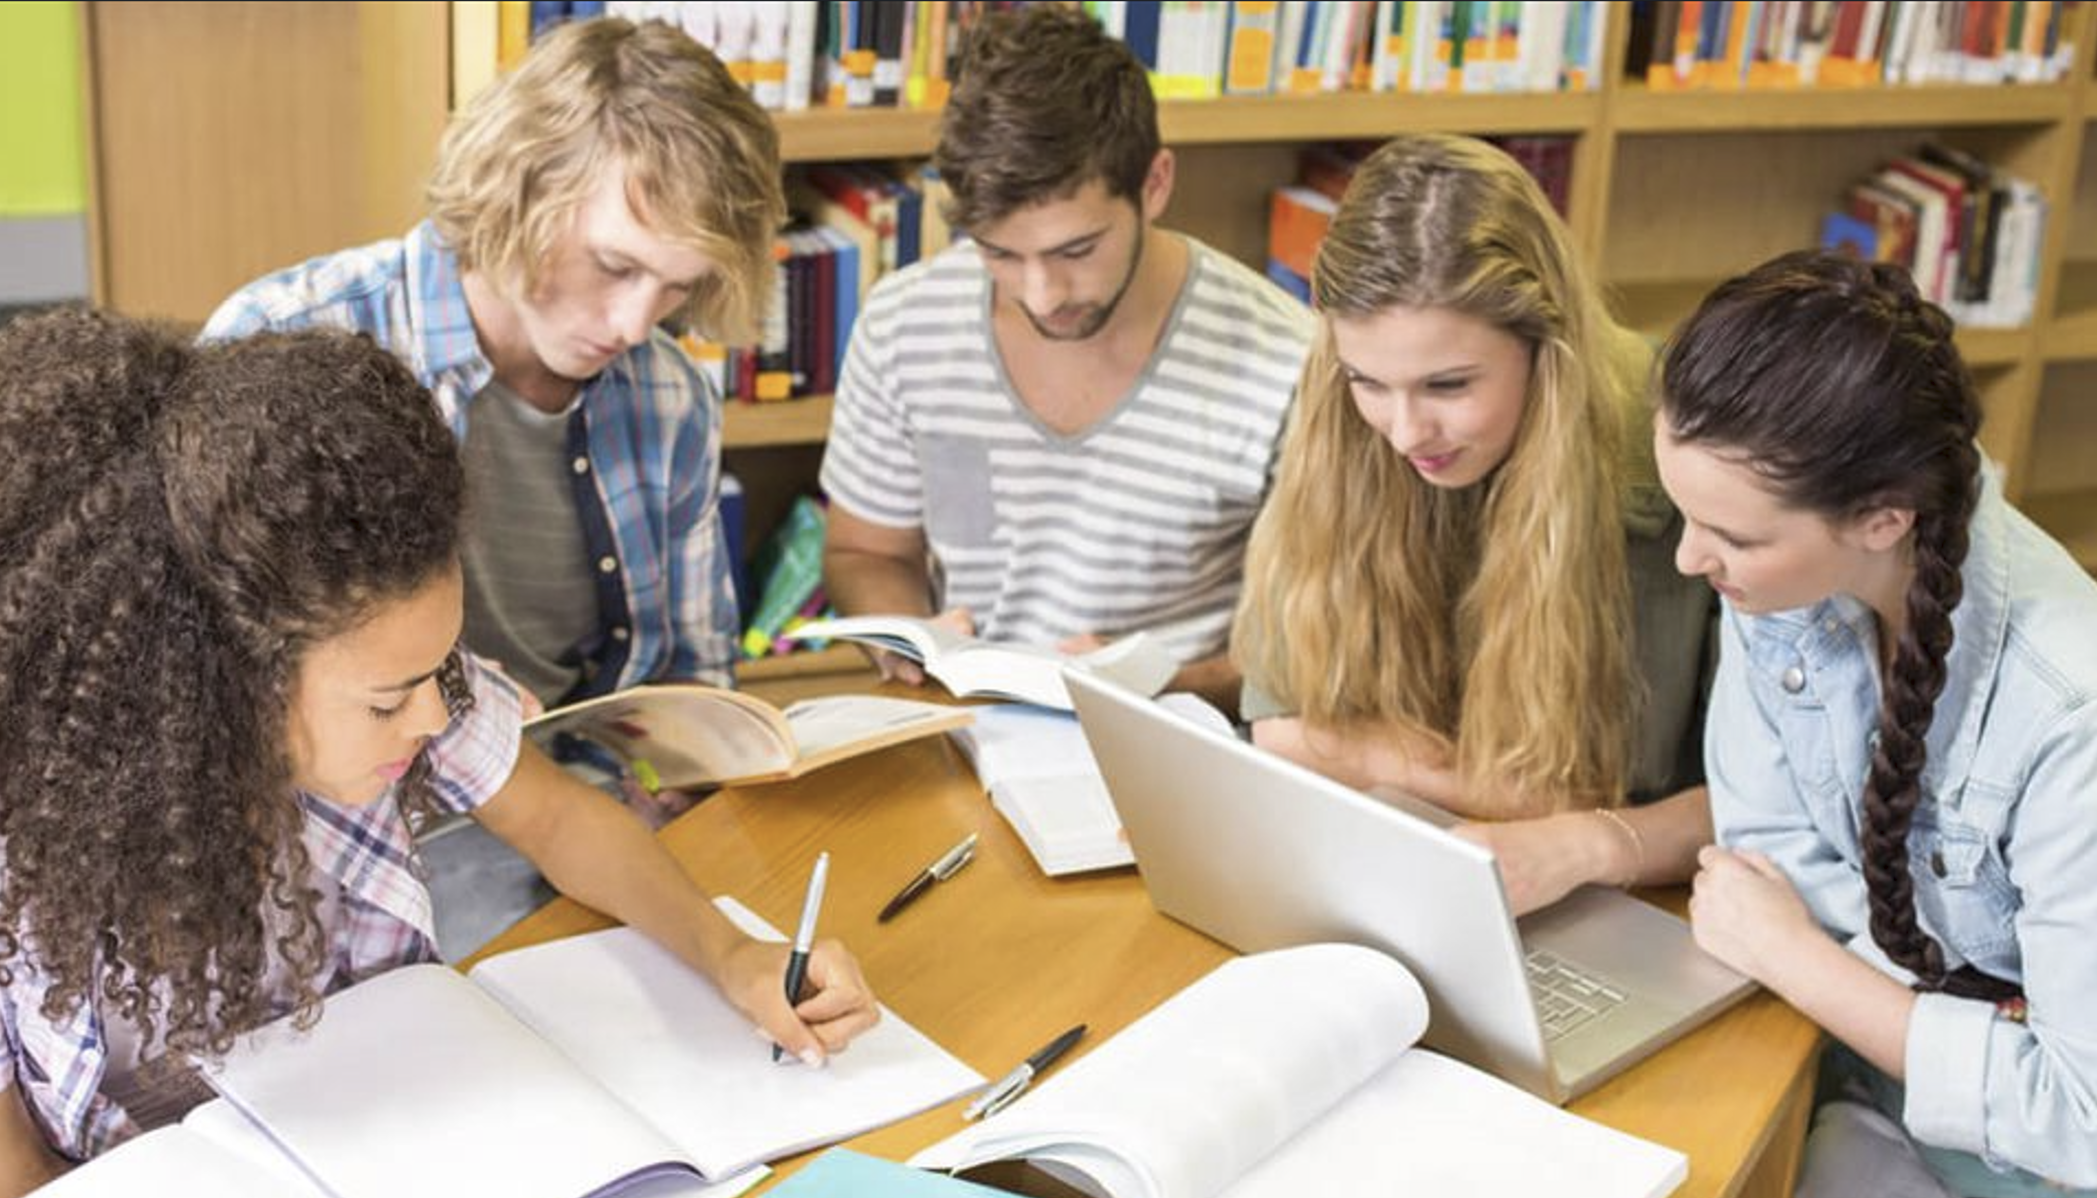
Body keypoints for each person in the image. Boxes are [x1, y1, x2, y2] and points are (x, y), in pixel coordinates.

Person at [0, 311, 877, 1192]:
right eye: (389, 700)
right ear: (226, 683)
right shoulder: (39, 803)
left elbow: (560, 818)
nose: (431, 716)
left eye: (438, 673)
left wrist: (731, 956)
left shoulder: (405, 676)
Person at [1659, 251, 2097, 1196]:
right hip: (1867, 1082)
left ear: (1882, 522)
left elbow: (2077, 1116)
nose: (1692, 558)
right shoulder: (1781, 579)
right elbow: (1766, 857)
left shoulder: (2071, 713)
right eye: (1685, 514)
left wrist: (1796, 957)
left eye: (1733, 536)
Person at [206, 16, 780, 708]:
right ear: (522, 191)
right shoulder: (282, 344)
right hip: (361, 804)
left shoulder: (670, 395)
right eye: (614, 265)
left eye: (677, 287)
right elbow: (212, 678)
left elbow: (695, 666)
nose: (635, 326)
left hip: (590, 777)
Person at [1232, 134, 1720, 914]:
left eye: (1448, 384)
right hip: (1408, 881)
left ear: (1543, 346)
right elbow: (1278, 731)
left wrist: (1369, 753)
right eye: (1368, 381)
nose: (1403, 432)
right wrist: (1527, 795)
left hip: (1635, 908)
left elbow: (1767, 809)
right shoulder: (1343, 429)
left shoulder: (1695, 462)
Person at [818, 4, 1315, 714]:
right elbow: (866, 554)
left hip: (1180, 743)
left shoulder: (1286, 361)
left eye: (1075, 251)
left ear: (1155, 184)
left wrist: (1157, 689)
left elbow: (1318, 648)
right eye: (1000, 254)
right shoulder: (905, 323)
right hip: (965, 731)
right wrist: (908, 638)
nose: (1041, 294)